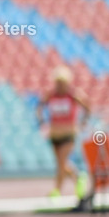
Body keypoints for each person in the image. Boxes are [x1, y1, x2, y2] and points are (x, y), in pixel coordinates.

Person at [36, 65, 90, 201]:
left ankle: (57, 190)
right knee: (61, 163)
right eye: (58, 83)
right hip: (55, 133)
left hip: (68, 133)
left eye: (62, 83)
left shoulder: (73, 95)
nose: (60, 85)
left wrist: (83, 122)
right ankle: (78, 177)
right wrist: (42, 121)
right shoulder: (51, 94)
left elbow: (87, 106)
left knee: (61, 162)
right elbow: (39, 107)